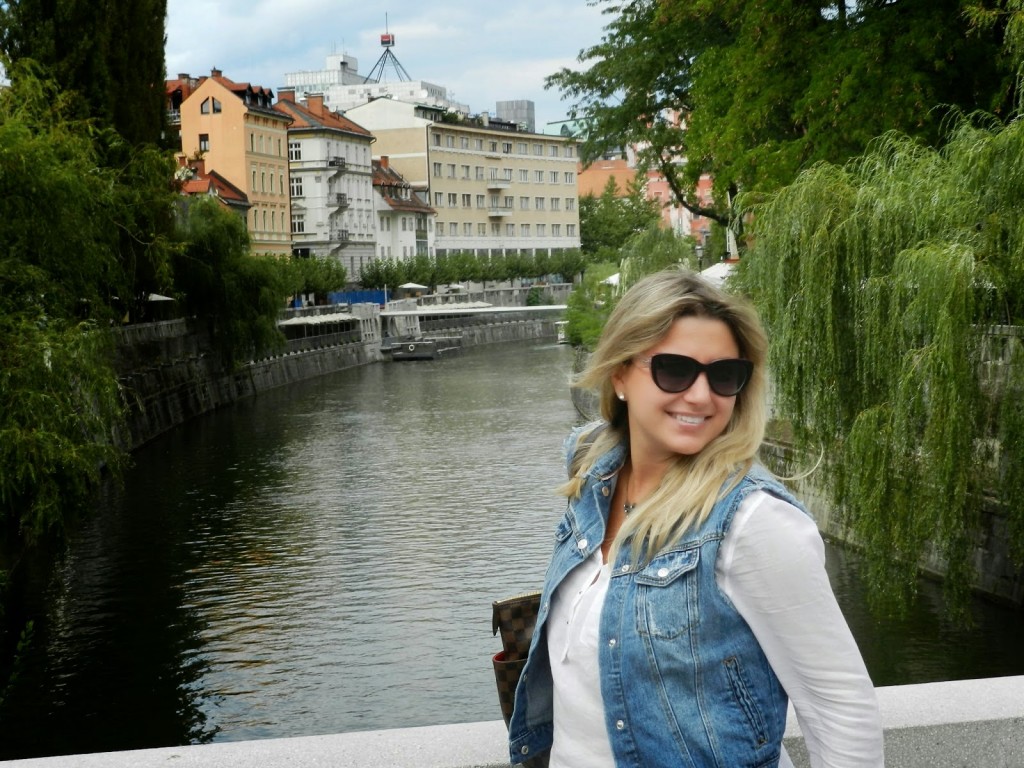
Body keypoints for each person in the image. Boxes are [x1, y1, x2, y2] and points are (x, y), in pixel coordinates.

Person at [509, 270, 883, 767]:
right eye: (674, 370)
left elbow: (840, 706)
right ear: (620, 373)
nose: (702, 396)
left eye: (724, 375)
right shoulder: (593, 472)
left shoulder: (753, 522)